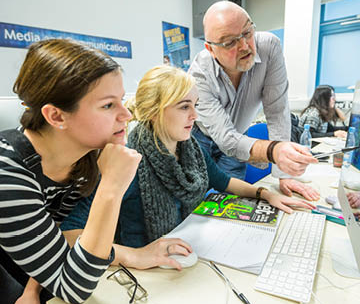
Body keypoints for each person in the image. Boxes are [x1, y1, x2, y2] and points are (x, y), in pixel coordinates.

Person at [0, 40, 189, 304]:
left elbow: (60, 237)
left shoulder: (86, 154)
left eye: (121, 100)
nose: (126, 115)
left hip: (29, 255)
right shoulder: (9, 177)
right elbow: (73, 288)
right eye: (108, 105)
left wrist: (135, 256)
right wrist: (110, 188)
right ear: (56, 116)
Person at [61, 65, 314, 250]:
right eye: (184, 107)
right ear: (153, 111)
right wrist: (135, 256)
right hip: (145, 271)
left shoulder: (191, 148)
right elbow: (72, 234)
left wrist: (266, 195)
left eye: (195, 105)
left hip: (186, 250)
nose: (195, 115)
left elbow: (223, 181)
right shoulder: (127, 162)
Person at [188, 1, 319, 201]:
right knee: (197, 203)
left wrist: (283, 174)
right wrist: (274, 152)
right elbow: (225, 138)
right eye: (229, 42)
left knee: (230, 203)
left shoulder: (269, 46)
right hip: (202, 139)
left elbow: (277, 111)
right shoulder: (198, 75)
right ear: (211, 49)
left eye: (247, 32)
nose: (244, 46)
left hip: (239, 137)